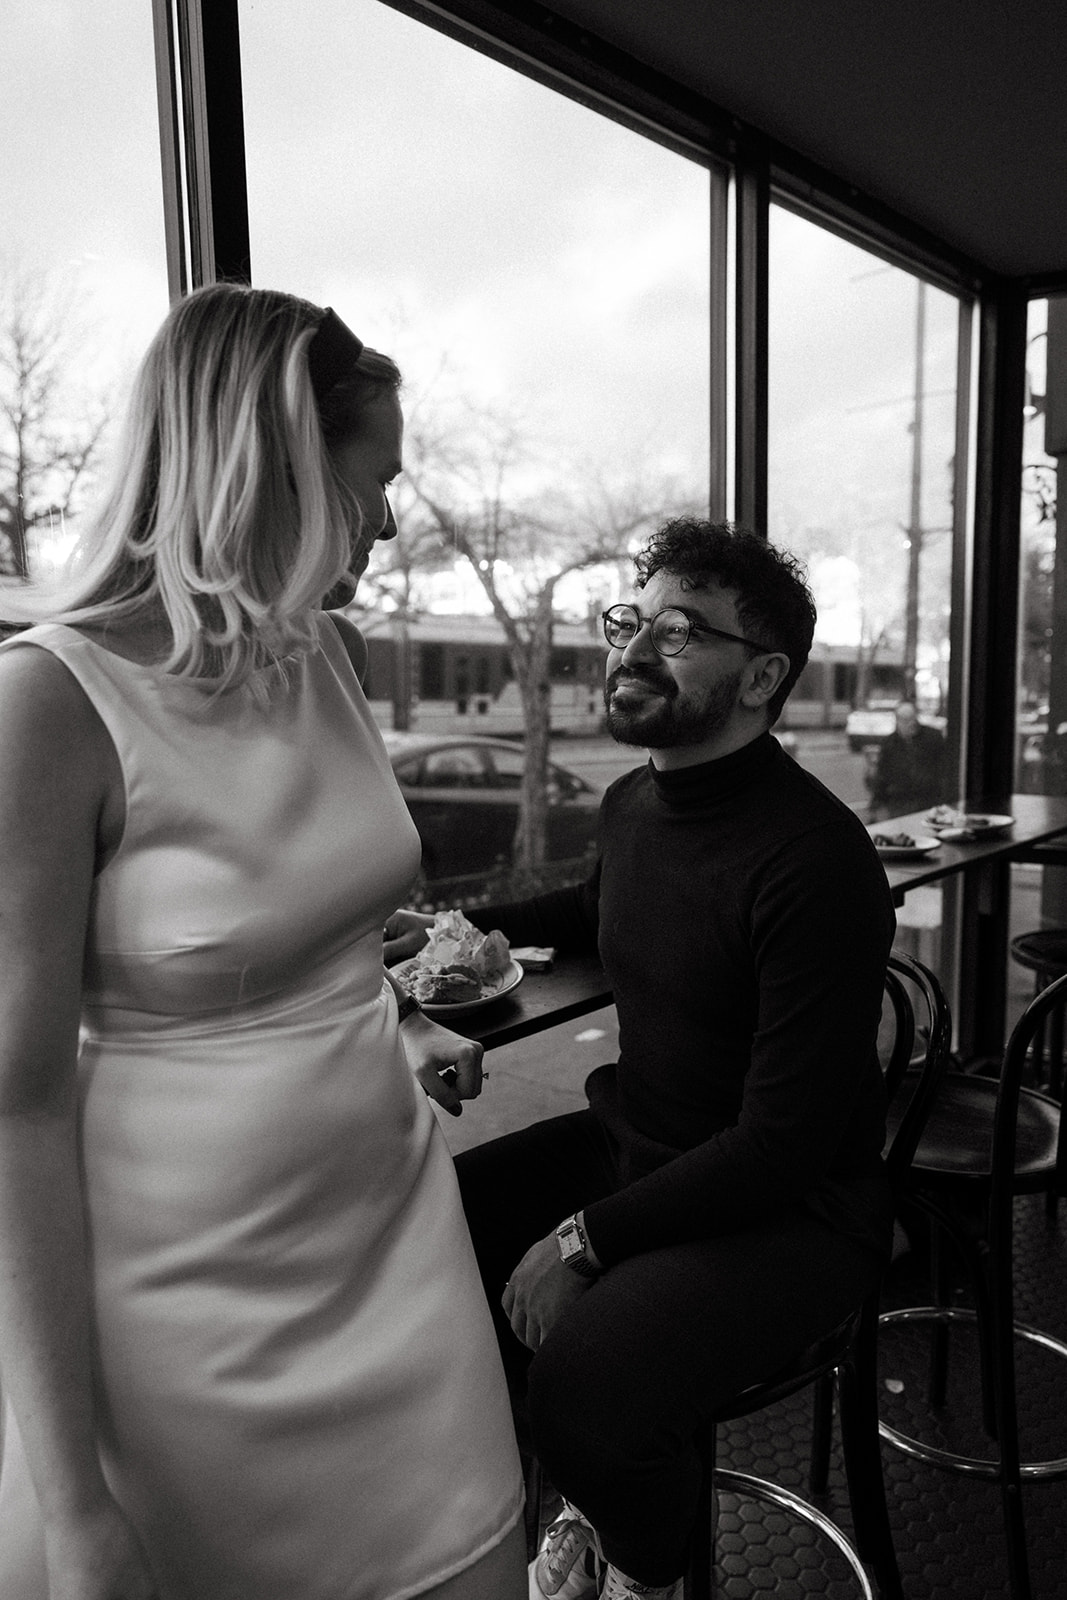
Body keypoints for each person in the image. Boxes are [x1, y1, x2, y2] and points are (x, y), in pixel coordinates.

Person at [0, 284, 527, 1600]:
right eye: (377, 480)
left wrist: (402, 1019)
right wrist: (70, 1503)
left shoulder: (326, 660)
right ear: (280, 457)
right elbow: (12, 1111)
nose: (394, 518)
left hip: (396, 1234)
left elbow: (331, 931)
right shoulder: (49, 703)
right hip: (186, 1307)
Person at [387, 519, 898, 1600]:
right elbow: (590, 907)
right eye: (630, 622)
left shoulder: (814, 860)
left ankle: (639, 1567)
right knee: (432, 1227)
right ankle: (593, 1493)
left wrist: (581, 1239)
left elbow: (784, 1142)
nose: (627, 652)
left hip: (789, 1211)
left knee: (589, 1378)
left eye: (677, 634)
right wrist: (441, 928)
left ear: (761, 676)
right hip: (646, 1146)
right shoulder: (633, 803)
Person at [867, 698, 947, 821]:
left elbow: (943, 768)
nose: (911, 724)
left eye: (913, 718)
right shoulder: (889, 743)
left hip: (927, 800)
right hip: (899, 801)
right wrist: (876, 803)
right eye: (906, 720)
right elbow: (882, 775)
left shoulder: (933, 737)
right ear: (897, 721)